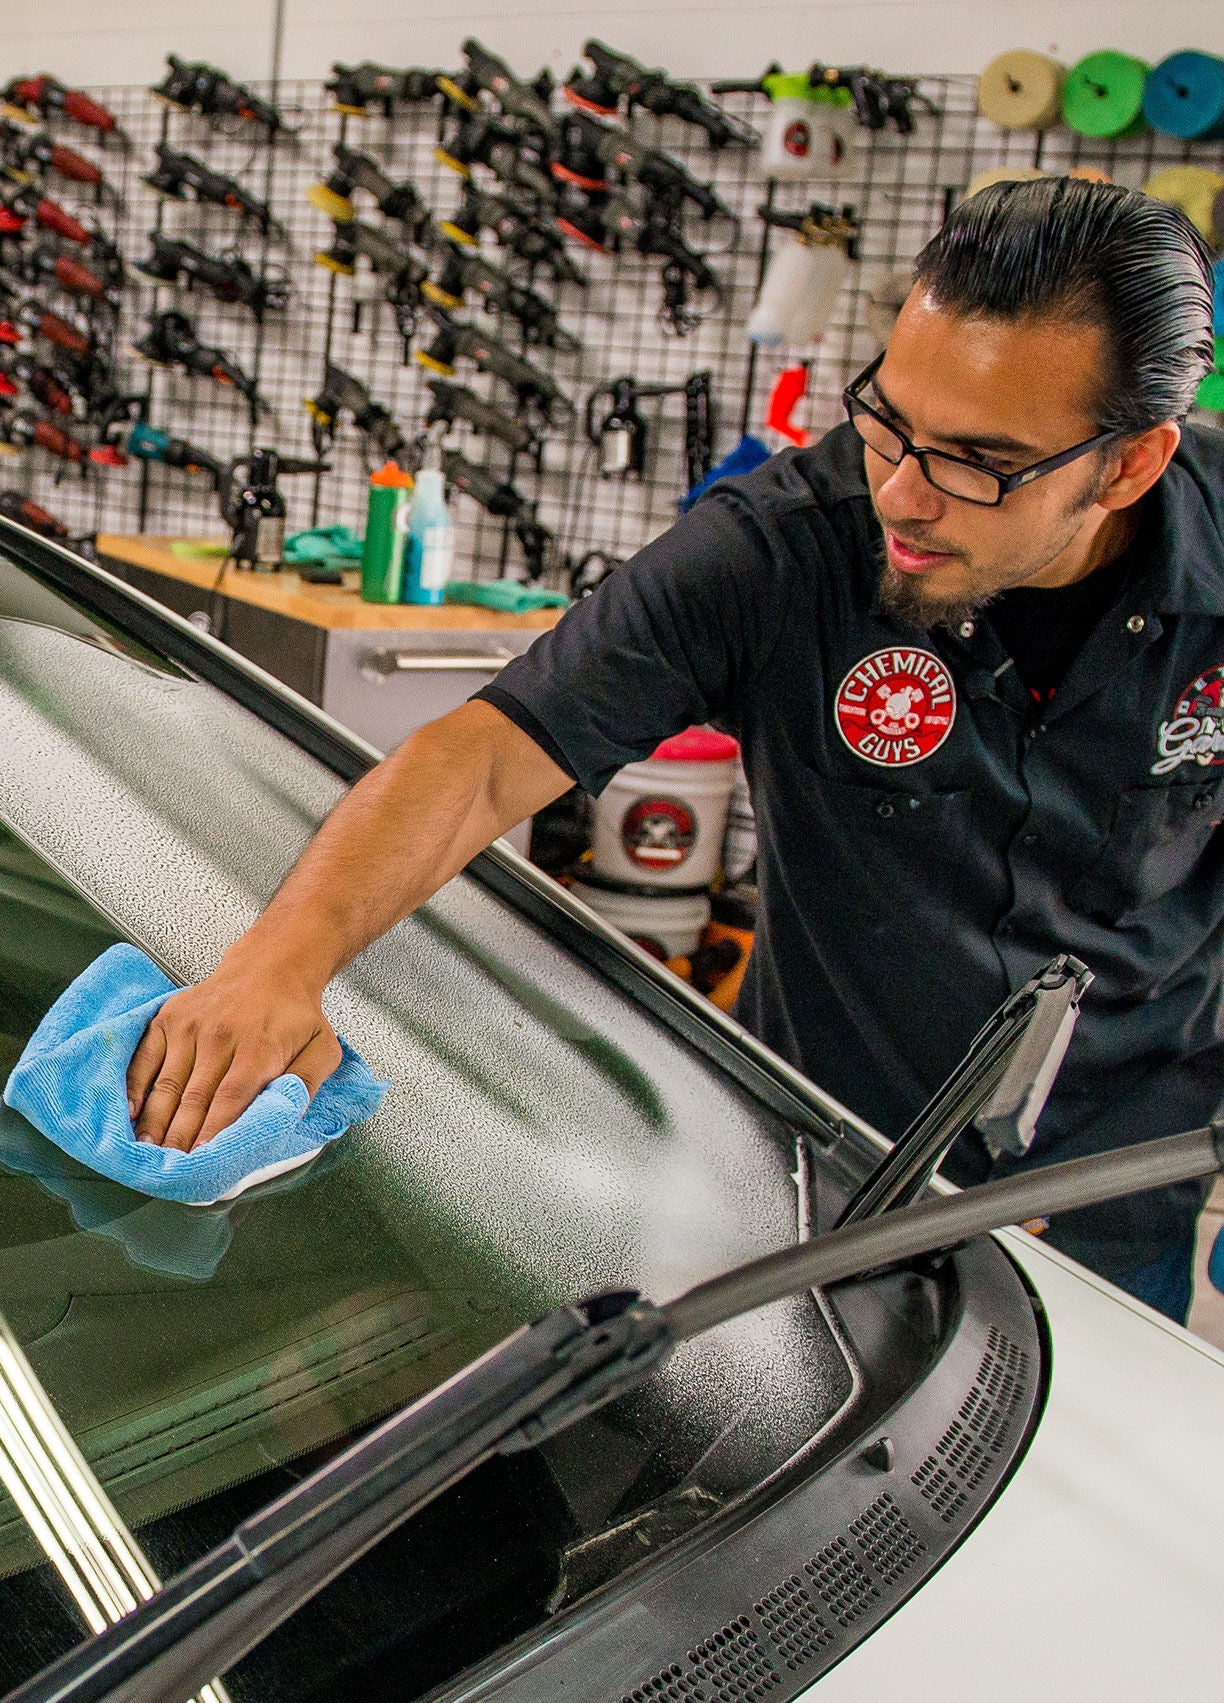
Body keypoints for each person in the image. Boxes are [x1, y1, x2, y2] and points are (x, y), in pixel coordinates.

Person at [126, 177, 1224, 1322]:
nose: (900, 493)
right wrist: (274, 966)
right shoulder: (783, 550)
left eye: (973, 461)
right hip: (823, 1187)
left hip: (1108, 1195)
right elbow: (486, 757)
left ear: (1126, 464)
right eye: (888, 421)